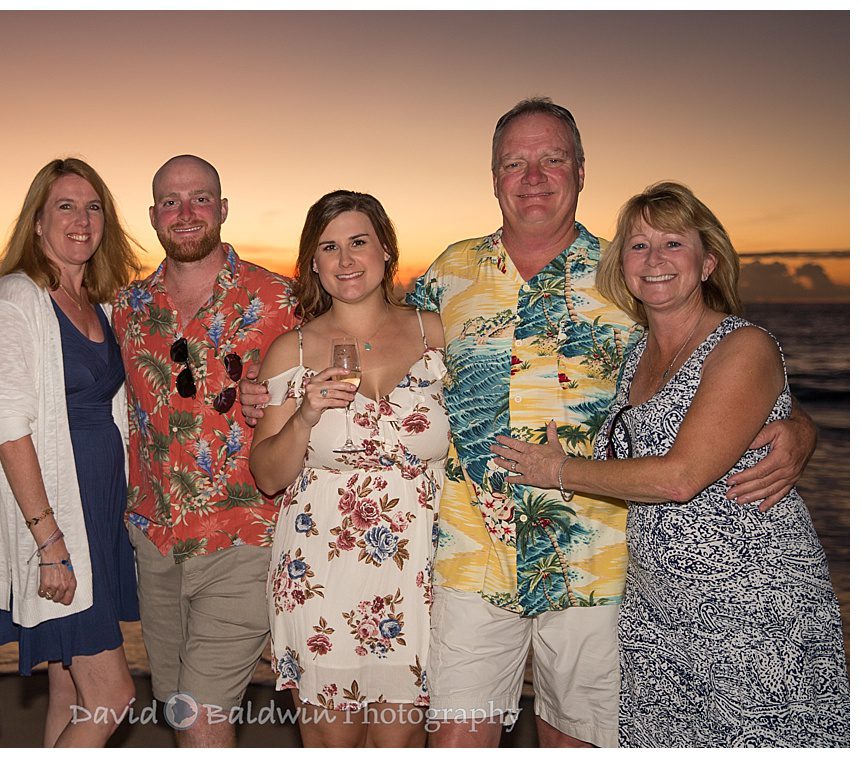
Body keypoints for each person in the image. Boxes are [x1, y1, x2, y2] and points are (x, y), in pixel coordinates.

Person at [394, 98, 815, 748]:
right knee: (454, 740)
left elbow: (713, 357)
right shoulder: (450, 272)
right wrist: (280, 377)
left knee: (579, 743)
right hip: (473, 555)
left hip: (599, 561)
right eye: (515, 163)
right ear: (494, 176)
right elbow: (376, 347)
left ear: (582, 172)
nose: (533, 177)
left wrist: (798, 424)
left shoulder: (626, 275)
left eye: (552, 160)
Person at [491, 182, 847, 748]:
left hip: (751, 608)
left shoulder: (743, 344)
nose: (654, 260)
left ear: (708, 262)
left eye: (673, 243)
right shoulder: (635, 353)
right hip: (659, 615)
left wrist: (556, 470)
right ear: (622, 266)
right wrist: (804, 424)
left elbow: (679, 476)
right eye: (638, 246)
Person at [108, 155, 297, 746]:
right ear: (153, 216)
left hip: (245, 536)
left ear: (222, 208)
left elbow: (339, 384)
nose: (185, 212)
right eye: (171, 201)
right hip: (157, 543)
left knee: (202, 719)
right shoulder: (129, 311)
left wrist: (279, 402)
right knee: (180, 711)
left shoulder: (279, 300)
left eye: (199, 199)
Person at [250, 191, 443, 747]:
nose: (345, 259)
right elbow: (267, 475)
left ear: (385, 249)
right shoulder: (294, 351)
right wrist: (305, 415)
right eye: (328, 247)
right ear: (313, 262)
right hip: (319, 575)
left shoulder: (436, 334)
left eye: (359, 242)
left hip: (415, 579)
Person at [0, 158, 143, 747]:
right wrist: (48, 541)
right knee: (114, 696)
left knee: (70, 691)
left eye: (92, 206)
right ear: (38, 223)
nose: (81, 220)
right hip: (56, 519)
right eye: (65, 207)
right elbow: (4, 419)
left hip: (96, 512)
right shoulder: (20, 297)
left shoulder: (95, 301)